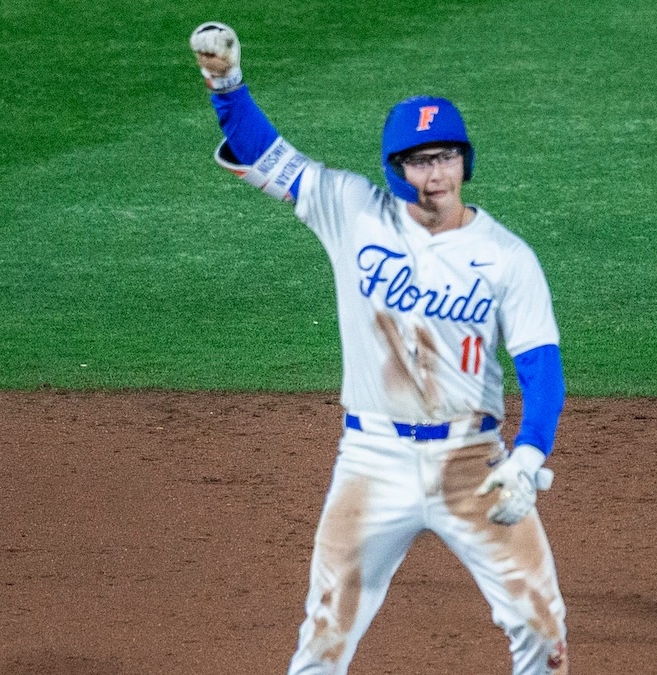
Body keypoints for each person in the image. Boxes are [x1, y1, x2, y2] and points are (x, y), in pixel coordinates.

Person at [189, 22, 569, 675]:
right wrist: (224, 82)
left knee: (542, 627)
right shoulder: (349, 209)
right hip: (371, 459)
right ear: (396, 168)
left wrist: (527, 454)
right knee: (325, 635)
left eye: (447, 156)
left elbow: (541, 369)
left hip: (471, 460)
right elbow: (265, 150)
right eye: (421, 159)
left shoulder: (507, 257)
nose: (436, 173)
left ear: (465, 162)